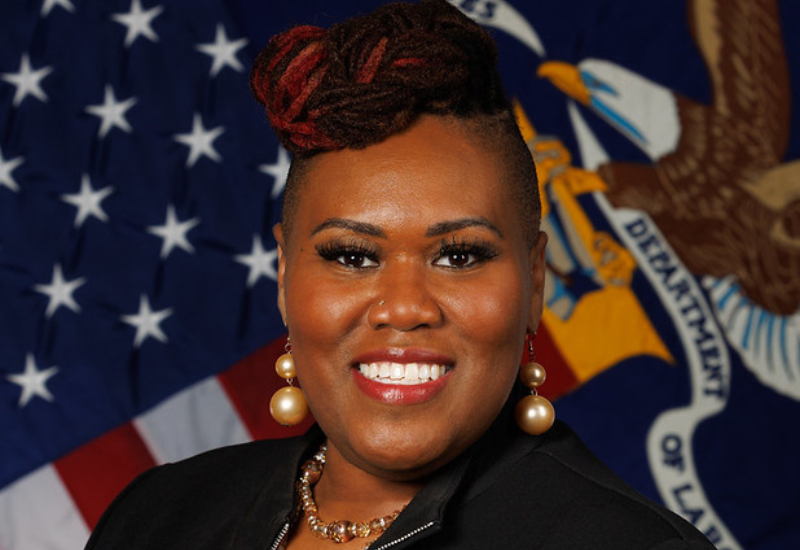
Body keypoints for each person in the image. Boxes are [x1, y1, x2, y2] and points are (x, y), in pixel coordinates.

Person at [85, 1, 716, 548]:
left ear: (534, 283)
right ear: (284, 276)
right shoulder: (159, 515)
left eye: (460, 256)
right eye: (352, 256)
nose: (405, 306)